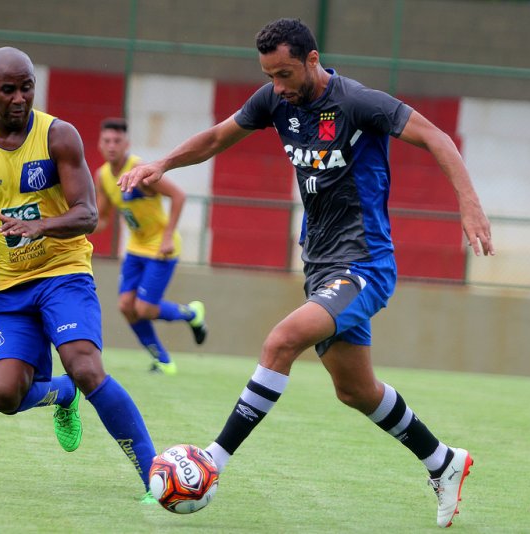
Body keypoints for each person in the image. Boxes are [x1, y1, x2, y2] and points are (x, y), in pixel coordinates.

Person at [120, 18, 494, 528]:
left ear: (312, 60)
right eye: (269, 75)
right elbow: (216, 137)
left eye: (285, 73)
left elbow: (437, 138)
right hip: (320, 263)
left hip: (364, 263)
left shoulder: (359, 103)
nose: (277, 86)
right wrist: (162, 164)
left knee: (281, 340)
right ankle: (443, 461)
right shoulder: (277, 100)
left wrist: (469, 205)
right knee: (355, 390)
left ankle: (213, 460)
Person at [0, 46, 158, 502]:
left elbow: (87, 213)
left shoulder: (59, 136)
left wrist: (38, 225)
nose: (20, 98)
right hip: (8, 285)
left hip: (63, 271)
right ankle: (61, 395)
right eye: (8, 90)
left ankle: (154, 477)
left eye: (27, 87)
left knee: (84, 363)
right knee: (2, 394)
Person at [94, 117, 207, 376]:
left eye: (117, 141)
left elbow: (179, 196)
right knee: (126, 306)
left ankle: (191, 314)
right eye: (107, 141)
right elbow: (102, 218)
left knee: (144, 308)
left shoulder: (141, 171)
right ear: (100, 144)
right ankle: (163, 360)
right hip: (135, 248)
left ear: (127, 144)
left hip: (160, 249)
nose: (112, 146)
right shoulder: (101, 176)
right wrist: (71, 226)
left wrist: (168, 236)